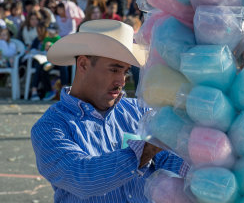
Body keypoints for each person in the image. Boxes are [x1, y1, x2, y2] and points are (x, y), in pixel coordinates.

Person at [31, 20, 188, 202]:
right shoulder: (50, 127)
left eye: (125, 72)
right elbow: (84, 178)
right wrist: (149, 146)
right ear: (83, 64)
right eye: (114, 70)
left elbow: (171, 159)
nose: (122, 81)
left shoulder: (137, 111)